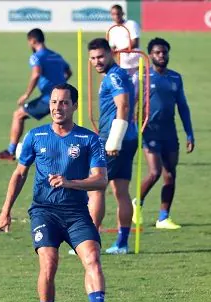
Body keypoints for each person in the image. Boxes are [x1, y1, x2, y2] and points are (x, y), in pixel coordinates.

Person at [0, 83, 119, 302]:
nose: (57, 107)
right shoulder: (35, 136)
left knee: (93, 258)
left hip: (76, 212)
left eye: (63, 102)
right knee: (49, 264)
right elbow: (19, 174)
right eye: (53, 102)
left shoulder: (89, 139)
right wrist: (5, 211)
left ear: (74, 106)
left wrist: (70, 183)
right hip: (44, 212)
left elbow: (100, 180)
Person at [132, 38, 195, 229]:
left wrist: (189, 134)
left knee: (170, 174)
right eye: (157, 52)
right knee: (154, 172)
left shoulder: (175, 78)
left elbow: (183, 107)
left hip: (169, 132)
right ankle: (138, 203)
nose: (161, 55)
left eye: (164, 52)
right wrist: (135, 130)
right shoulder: (142, 77)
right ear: (150, 55)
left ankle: (163, 217)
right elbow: (131, 105)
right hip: (149, 131)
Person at [87, 38, 137, 255]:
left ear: (110, 54)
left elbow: (123, 106)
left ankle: (89, 242)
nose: (97, 61)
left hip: (114, 140)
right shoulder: (114, 75)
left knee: (96, 189)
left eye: (101, 56)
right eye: (93, 58)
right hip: (128, 137)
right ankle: (122, 243)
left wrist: (114, 140)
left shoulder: (115, 76)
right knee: (121, 191)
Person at [0, 28, 72, 161]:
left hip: (49, 98)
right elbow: (69, 71)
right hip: (63, 97)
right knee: (60, 124)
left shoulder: (36, 57)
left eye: (29, 42)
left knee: (18, 115)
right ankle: (71, 152)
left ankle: (10, 151)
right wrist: (61, 85)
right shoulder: (56, 55)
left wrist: (26, 94)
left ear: (32, 41)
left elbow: (36, 74)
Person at [107, 4, 141, 77]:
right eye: (113, 14)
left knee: (136, 86)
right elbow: (112, 46)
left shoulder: (131, 24)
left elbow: (135, 43)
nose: (116, 16)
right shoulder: (111, 29)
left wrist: (120, 51)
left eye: (118, 14)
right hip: (121, 64)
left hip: (134, 63)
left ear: (123, 13)